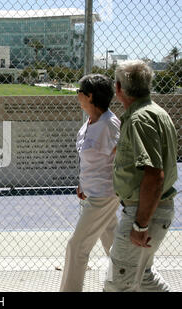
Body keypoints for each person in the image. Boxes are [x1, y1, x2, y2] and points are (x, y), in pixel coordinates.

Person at [104, 60, 178, 292]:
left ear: (118, 88)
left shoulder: (139, 119)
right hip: (154, 209)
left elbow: (155, 175)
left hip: (144, 212)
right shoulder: (157, 113)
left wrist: (140, 224)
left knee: (117, 283)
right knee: (143, 277)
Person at [60, 74, 121, 292]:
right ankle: (130, 283)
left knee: (77, 247)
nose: (76, 94)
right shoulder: (90, 121)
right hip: (92, 192)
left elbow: (122, 159)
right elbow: (92, 158)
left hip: (103, 195)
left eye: (80, 91)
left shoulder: (109, 125)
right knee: (113, 245)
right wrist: (83, 184)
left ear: (91, 96)